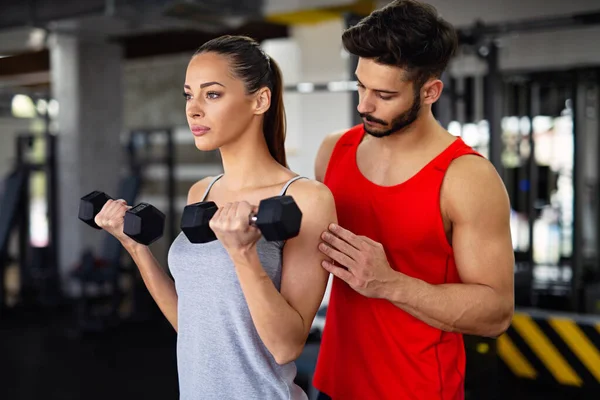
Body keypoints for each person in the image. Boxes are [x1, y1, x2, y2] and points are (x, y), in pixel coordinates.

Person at [94, 35, 337, 400]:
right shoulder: (202, 192)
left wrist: (244, 255)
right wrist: (135, 247)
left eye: (212, 94)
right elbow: (190, 324)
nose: (193, 109)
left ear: (260, 100)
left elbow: (286, 347)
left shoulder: (306, 198)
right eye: (188, 95)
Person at [311, 1, 515, 399]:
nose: (363, 105)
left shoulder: (467, 177)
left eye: (384, 94)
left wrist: (389, 284)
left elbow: (496, 313)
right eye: (360, 86)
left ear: (430, 91)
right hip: (335, 382)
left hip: (418, 389)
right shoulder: (333, 151)